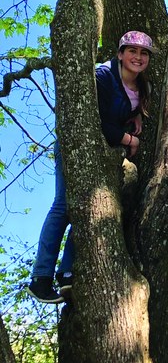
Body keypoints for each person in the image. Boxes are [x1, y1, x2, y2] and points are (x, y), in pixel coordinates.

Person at [26, 31, 157, 303]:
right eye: (132, 51)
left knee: (96, 206)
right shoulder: (103, 77)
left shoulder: (142, 87)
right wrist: (129, 139)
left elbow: (125, 112)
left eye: (143, 53)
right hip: (77, 145)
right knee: (63, 206)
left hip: (104, 153)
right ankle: (40, 278)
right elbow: (93, 119)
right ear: (120, 53)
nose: (138, 57)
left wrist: (135, 118)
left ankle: (67, 272)